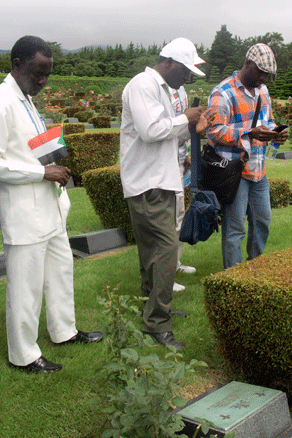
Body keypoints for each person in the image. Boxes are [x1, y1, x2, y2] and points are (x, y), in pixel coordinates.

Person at [0, 36, 102, 374]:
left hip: (48, 205)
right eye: (38, 73)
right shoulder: (0, 102)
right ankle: (24, 354)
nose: (43, 82)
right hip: (22, 211)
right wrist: (42, 171)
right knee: (26, 285)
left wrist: (52, 154)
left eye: (48, 74)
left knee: (61, 270)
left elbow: (27, 145)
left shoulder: (26, 98)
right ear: (17, 65)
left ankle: (64, 331)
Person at [120, 37, 212, 350]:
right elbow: (151, 131)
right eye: (185, 70)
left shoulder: (163, 88)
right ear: (168, 62)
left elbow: (168, 132)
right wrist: (184, 119)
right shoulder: (143, 84)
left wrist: (190, 129)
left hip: (162, 178)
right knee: (165, 247)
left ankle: (152, 303)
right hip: (147, 181)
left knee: (152, 249)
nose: (187, 77)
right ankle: (157, 323)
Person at [207, 43, 287, 269]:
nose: (263, 77)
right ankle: (232, 275)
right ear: (247, 64)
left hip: (258, 170)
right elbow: (213, 131)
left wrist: (275, 133)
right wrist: (248, 134)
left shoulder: (263, 91)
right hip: (234, 171)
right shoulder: (223, 92)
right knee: (235, 228)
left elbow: (268, 120)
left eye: (267, 74)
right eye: (260, 72)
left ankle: (254, 268)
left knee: (262, 221)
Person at [170, 84, 197, 291]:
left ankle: (175, 264)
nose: (188, 75)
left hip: (178, 161)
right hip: (165, 164)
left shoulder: (181, 90)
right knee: (170, 219)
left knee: (178, 216)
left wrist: (185, 153)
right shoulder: (161, 90)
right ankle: (164, 273)